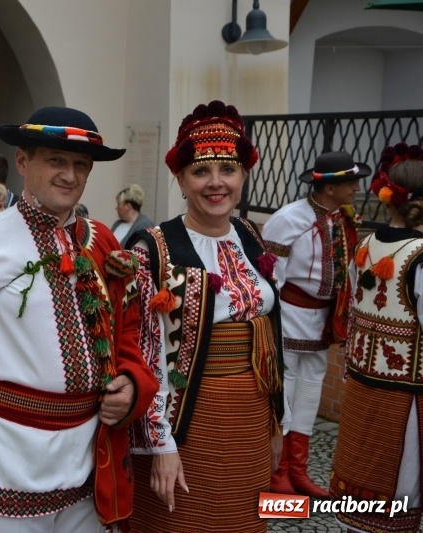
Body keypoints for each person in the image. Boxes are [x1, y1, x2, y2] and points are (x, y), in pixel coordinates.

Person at [0, 106, 158, 533]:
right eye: (56, 161)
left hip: (87, 462)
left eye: (80, 164)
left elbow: (128, 333)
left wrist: (130, 384)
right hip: (4, 462)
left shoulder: (100, 240)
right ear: (23, 163)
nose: (69, 174)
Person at [127, 100, 286, 532]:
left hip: (251, 420)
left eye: (228, 170)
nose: (216, 183)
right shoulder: (152, 250)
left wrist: (276, 424)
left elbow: (270, 339)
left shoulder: (251, 236)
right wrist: (160, 445)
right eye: (200, 172)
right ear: (180, 178)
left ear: (244, 175)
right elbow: (143, 356)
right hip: (186, 422)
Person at [262, 150, 369, 498]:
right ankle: (276, 475)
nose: (356, 187)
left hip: (322, 320)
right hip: (290, 317)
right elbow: (269, 277)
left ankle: (299, 472)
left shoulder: (341, 219)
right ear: (329, 188)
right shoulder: (289, 218)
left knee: (310, 392)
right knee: (287, 393)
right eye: (349, 181)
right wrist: (271, 323)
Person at [329, 142, 423, 532]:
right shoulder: (419, 254)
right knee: (400, 491)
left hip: (362, 387)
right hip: (405, 397)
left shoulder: (365, 244)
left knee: (361, 478)